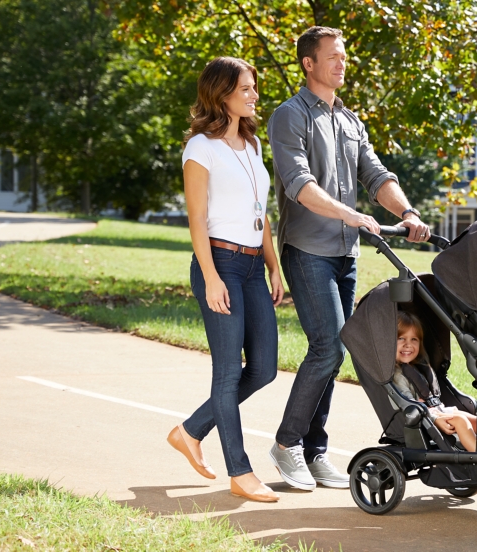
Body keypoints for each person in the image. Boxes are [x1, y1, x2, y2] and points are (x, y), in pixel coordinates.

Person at [266, 26, 432, 491]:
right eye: (332, 56)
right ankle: (286, 444)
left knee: (336, 353)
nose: (341, 63)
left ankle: (315, 452)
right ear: (309, 63)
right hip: (308, 250)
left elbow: (376, 174)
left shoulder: (349, 120)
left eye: (344, 56)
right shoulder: (289, 116)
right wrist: (352, 214)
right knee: (328, 347)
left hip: (346, 253)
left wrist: (407, 211)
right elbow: (299, 185)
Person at [167, 57, 282, 503]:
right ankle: (240, 471)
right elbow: (197, 220)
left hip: (253, 265)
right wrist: (212, 278)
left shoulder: (251, 145)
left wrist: (273, 266)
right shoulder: (201, 148)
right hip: (220, 263)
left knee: (265, 368)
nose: (254, 95)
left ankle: (190, 431)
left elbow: (261, 214)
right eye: (246, 89)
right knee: (228, 369)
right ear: (222, 95)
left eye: (254, 87)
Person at [394, 313, 477, 453]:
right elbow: (407, 405)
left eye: (414, 339)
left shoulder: (416, 367)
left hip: (436, 411)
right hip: (422, 420)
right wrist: (435, 419)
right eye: (401, 338)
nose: (408, 345)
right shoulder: (398, 376)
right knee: (461, 421)